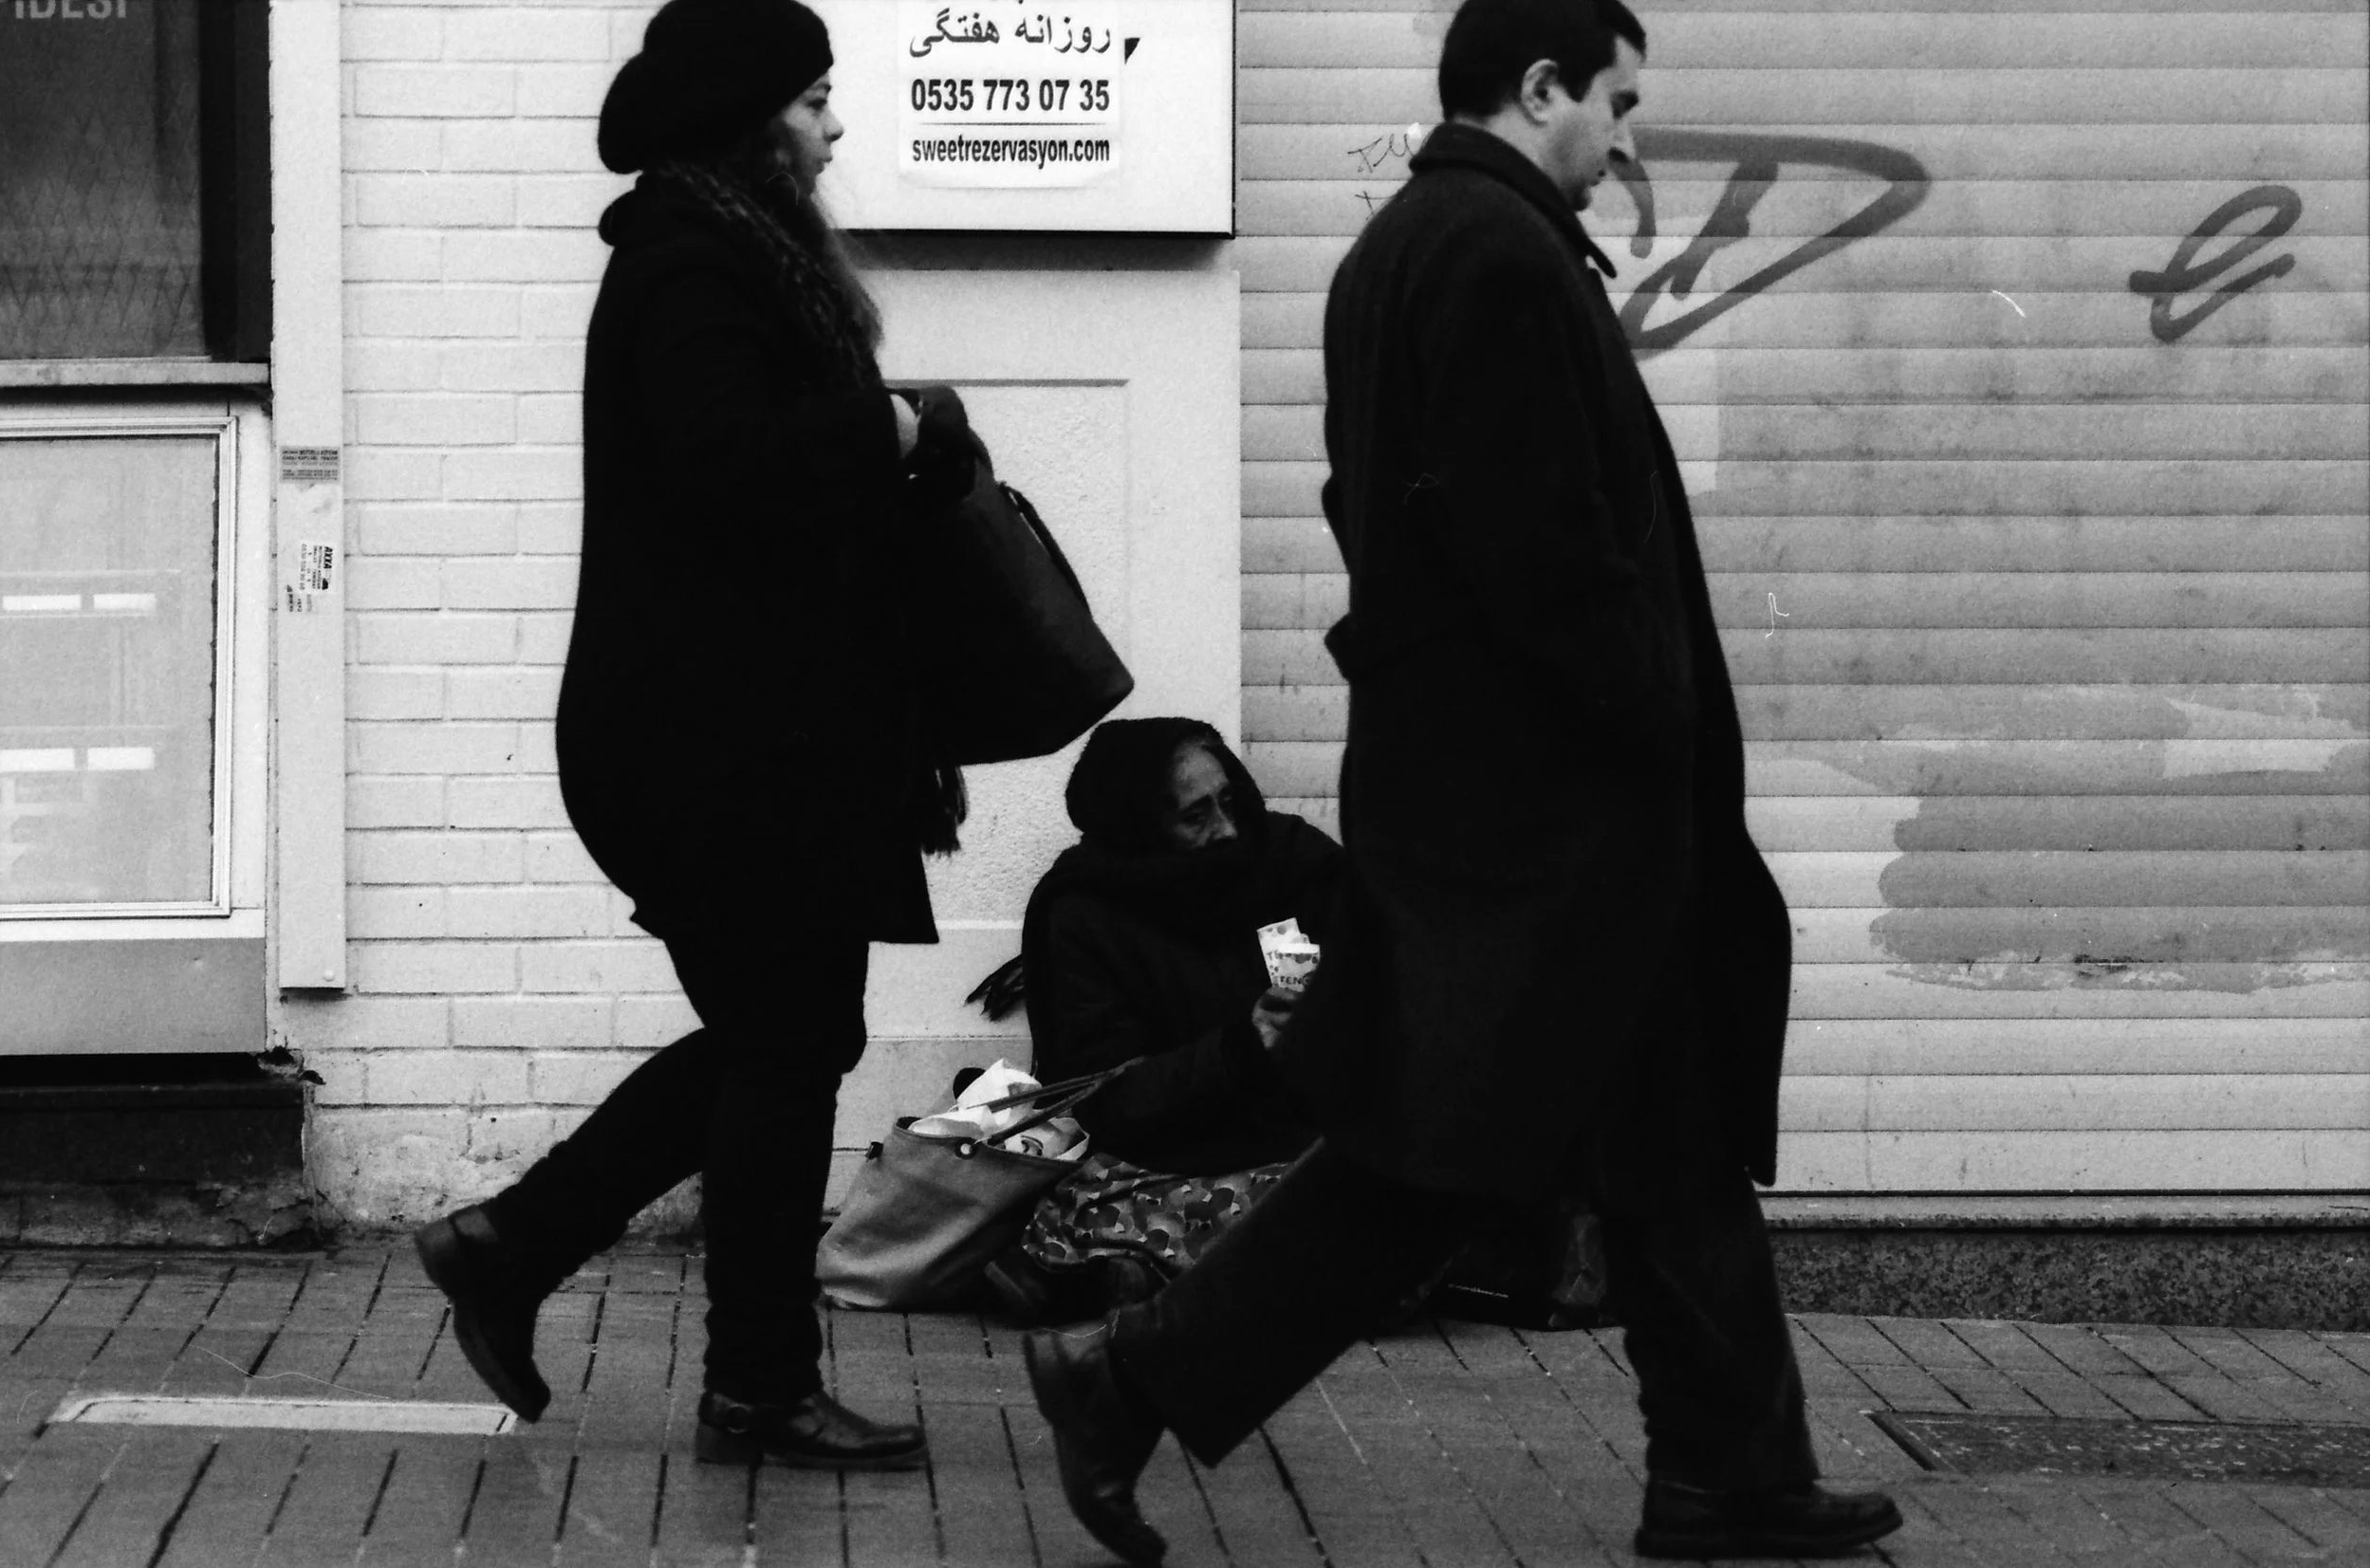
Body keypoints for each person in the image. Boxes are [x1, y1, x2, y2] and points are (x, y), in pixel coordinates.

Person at [1020, 2, 1904, 1561]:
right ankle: (1131, 1374)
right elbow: (1543, 547)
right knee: (1443, 1149)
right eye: (1616, 102)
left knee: (1658, 1130)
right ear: (1541, 86)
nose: (1626, 140)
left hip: (1512, 805)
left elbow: (1377, 511)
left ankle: (1730, 1471)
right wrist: (1650, 724)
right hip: (1554, 820)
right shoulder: (1494, 254)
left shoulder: (1405, 250)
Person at [412, 0, 980, 1471]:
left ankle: (520, 1247)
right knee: (787, 1044)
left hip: (751, 735)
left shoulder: (726, 252)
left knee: (781, 1037)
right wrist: (886, 433)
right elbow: (728, 466)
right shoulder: (689, 262)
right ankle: (747, 1379)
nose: (834, 125)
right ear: (750, 123)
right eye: (813, 99)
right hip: (712, 746)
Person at [972, 719, 1341, 1323]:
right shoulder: (1088, 911)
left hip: (1311, 1129)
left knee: (1389, 1190)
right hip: (1175, 1153)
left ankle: (1127, 1272)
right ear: (1139, 827)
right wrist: (1244, 1047)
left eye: (1229, 801)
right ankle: (1140, 1269)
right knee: (1313, 1217)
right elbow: (1111, 1097)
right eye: (1196, 816)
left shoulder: (1292, 862)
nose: (1227, 829)